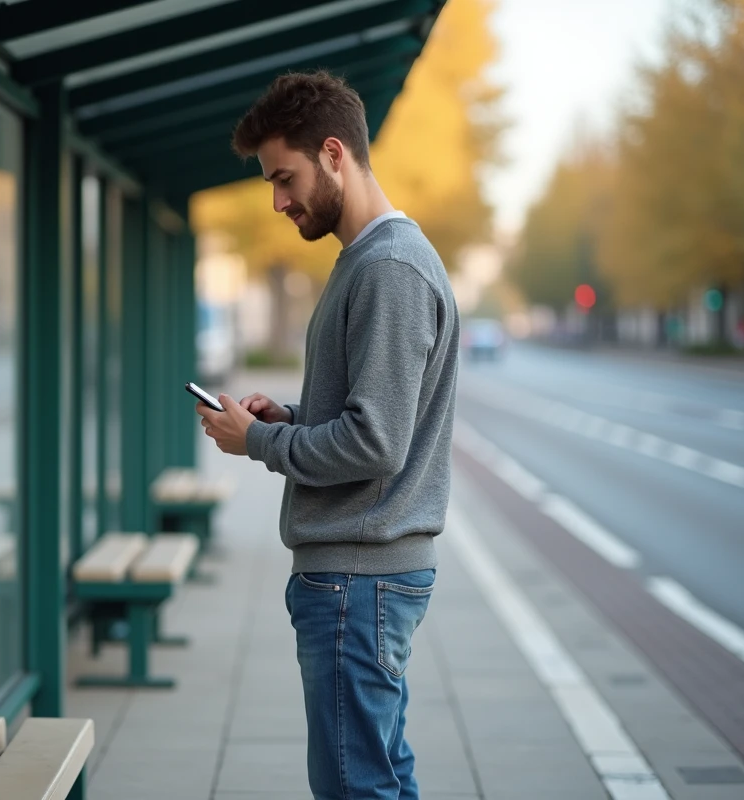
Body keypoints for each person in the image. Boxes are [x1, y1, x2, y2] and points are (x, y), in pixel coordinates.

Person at [194, 71, 460, 800]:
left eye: (285, 178)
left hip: (357, 578)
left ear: (335, 153)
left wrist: (258, 443)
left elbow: (376, 446)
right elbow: (370, 423)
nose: (278, 202)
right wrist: (291, 421)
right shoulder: (373, 263)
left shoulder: (389, 271)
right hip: (362, 575)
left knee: (355, 787)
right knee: (378, 778)